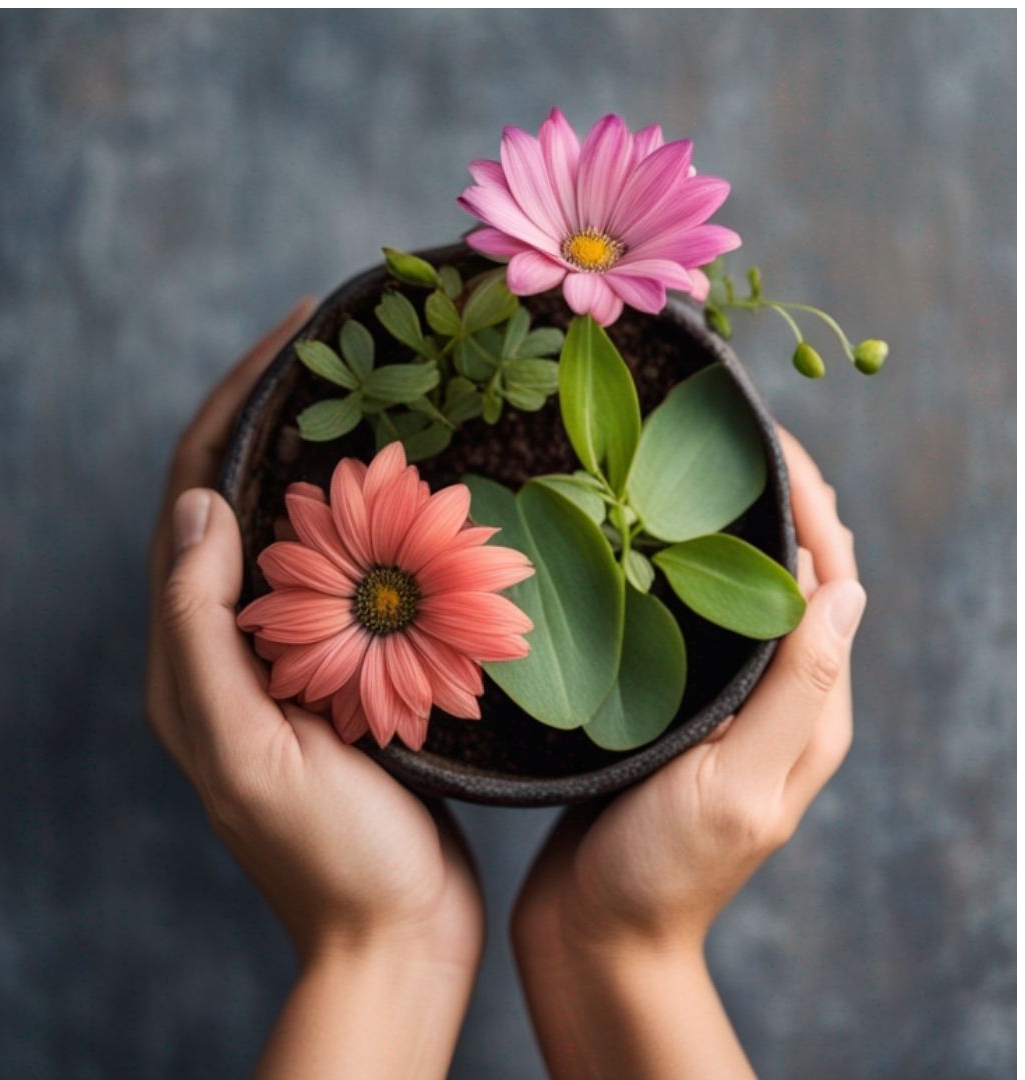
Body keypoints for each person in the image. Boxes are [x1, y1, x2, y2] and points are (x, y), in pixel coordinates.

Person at [145, 300, 866, 1079]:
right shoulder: (384, 605)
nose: (383, 605)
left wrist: (383, 941)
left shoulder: (409, 601)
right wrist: (624, 944)